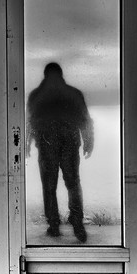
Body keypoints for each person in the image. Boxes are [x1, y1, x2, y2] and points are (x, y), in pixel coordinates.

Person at [26, 62, 93, 242]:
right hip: (69, 144)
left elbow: (30, 122)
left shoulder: (36, 95)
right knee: (73, 183)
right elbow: (85, 120)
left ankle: (54, 224)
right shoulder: (74, 94)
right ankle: (77, 222)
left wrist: (26, 143)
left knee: (49, 187)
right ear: (61, 75)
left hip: (47, 145)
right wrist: (88, 141)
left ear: (45, 75)